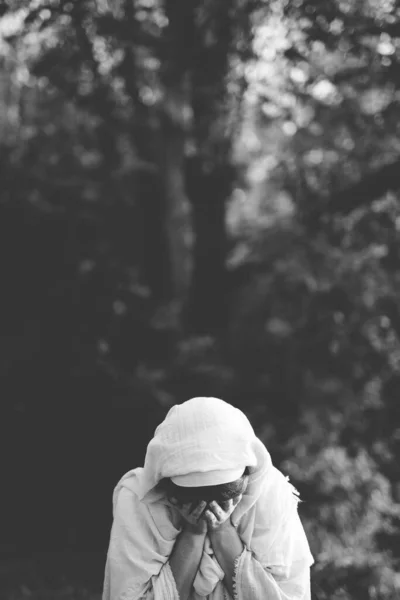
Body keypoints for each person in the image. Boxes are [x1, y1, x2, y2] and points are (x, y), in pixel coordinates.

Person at [102, 397, 314, 600]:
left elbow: (290, 594)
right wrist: (193, 534)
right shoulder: (138, 499)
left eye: (224, 496)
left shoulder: (270, 494)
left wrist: (222, 530)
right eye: (196, 499)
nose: (209, 509)